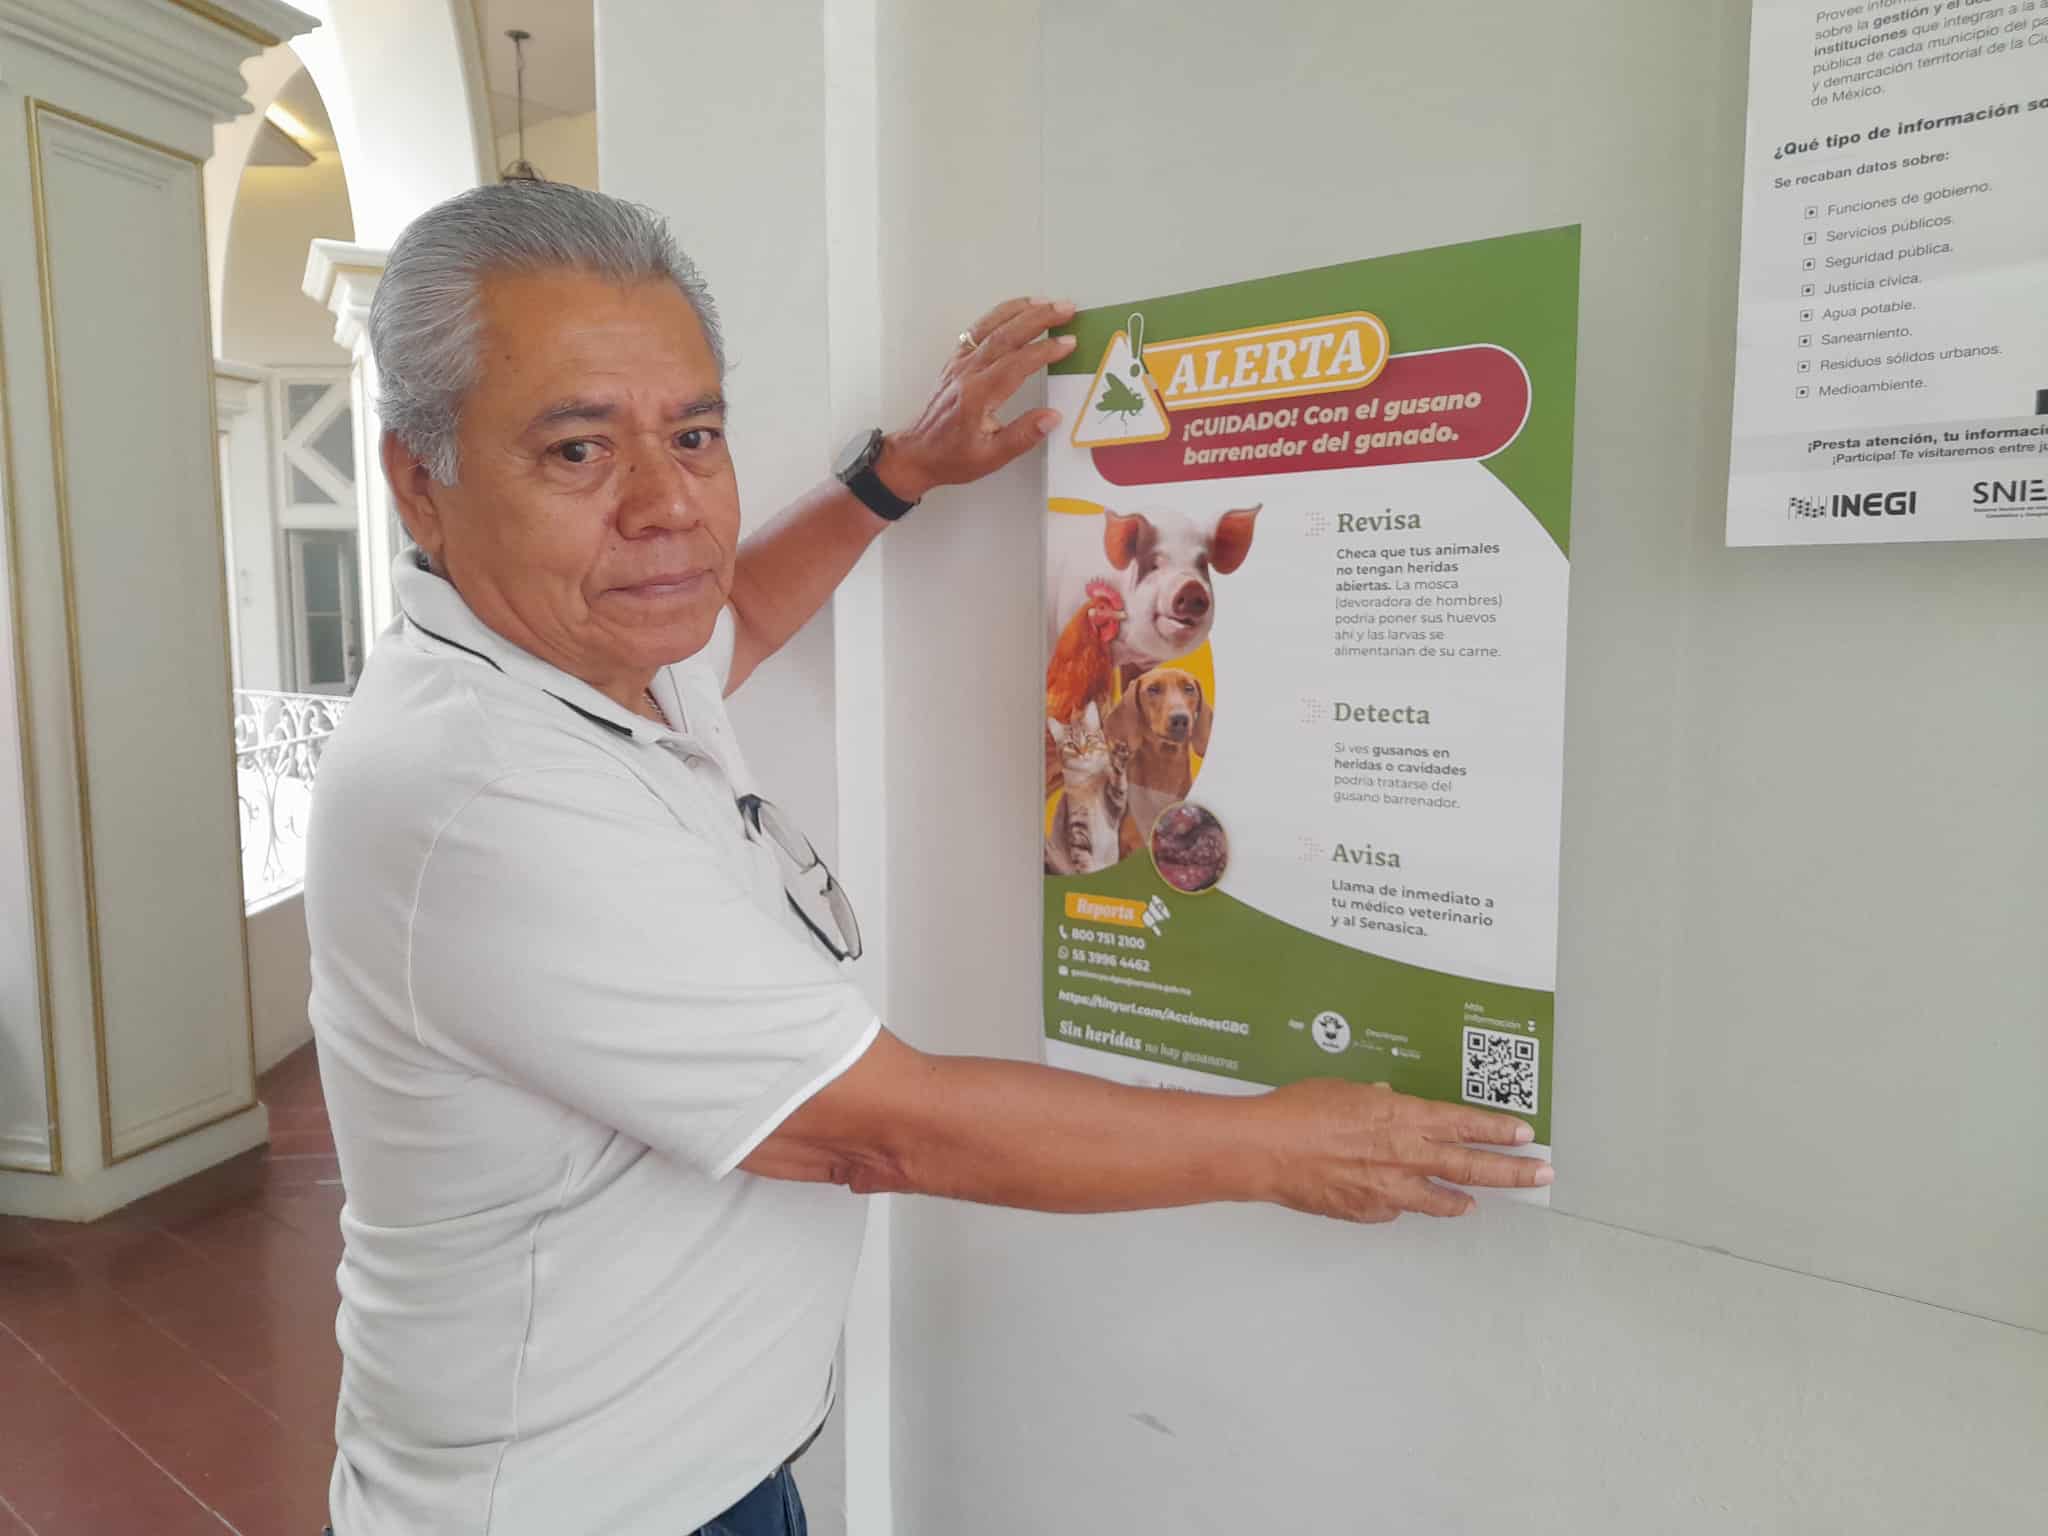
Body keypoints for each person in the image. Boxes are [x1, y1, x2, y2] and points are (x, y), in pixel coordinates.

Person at [304, 180, 1550, 1536]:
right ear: (419, 482)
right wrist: (1284, 1147)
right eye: (576, 453)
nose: (670, 509)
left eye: (697, 434)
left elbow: (745, 617)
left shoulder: (602, 653)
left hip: (693, 1466)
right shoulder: (481, 790)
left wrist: (898, 472)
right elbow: (881, 1127)